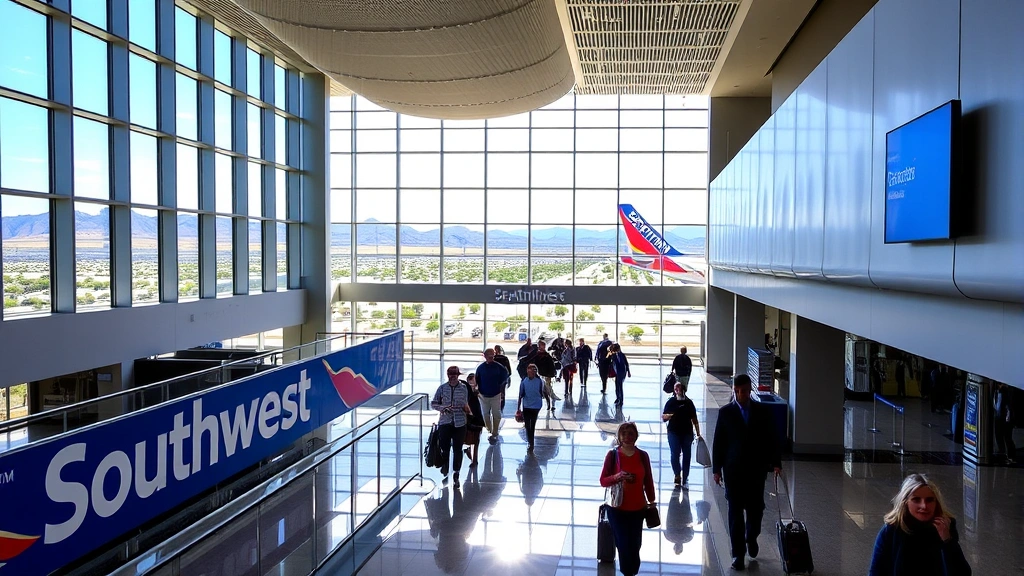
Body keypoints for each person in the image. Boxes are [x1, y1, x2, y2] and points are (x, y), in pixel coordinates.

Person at [712, 373, 781, 571]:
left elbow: (772, 438)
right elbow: (719, 442)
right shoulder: (726, 412)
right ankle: (738, 554)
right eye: (736, 391)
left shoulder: (762, 412)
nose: (739, 395)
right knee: (734, 513)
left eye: (742, 391)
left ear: (750, 391)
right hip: (733, 471)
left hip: (756, 470)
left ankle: (751, 537)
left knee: (756, 510)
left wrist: (776, 462)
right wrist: (717, 469)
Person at [868, 474, 972, 576]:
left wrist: (947, 541)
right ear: (905, 502)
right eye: (916, 500)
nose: (924, 506)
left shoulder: (945, 526)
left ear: (936, 503)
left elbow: (962, 573)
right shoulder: (891, 530)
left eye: (929, 500)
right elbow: (876, 571)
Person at [599, 422, 657, 576]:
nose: (627, 437)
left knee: (635, 544)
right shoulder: (613, 455)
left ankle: (632, 570)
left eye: (630, 433)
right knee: (623, 544)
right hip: (617, 509)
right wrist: (617, 477)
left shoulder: (642, 456)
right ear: (618, 436)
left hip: (638, 508)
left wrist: (652, 502)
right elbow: (603, 480)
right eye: (623, 434)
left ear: (635, 436)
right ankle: (628, 572)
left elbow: (648, 481)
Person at [431, 366, 472, 486]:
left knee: (457, 449)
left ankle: (456, 472)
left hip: (460, 422)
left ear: (458, 376)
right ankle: (445, 465)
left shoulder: (464, 388)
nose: (453, 376)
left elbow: (465, 403)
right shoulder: (442, 388)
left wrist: (467, 410)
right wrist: (443, 408)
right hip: (445, 422)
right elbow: (433, 403)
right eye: (450, 374)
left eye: (455, 374)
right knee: (445, 447)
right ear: (448, 375)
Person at [662, 380, 702, 487]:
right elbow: (664, 417)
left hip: (687, 433)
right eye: (676, 388)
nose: (677, 390)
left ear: (683, 389)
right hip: (673, 432)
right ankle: (677, 474)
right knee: (675, 453)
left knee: (687, 454)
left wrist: (698, 433)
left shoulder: (689, 403)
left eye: (679, 388)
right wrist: (669, 416)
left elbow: (694, 419)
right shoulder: (671, 402)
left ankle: (685, 475)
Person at [476, 348, 510, 444]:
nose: (491, 357)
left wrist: (501, 388)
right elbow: (477, 379)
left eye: (492, 355)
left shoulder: (499, 367)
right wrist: (477, 389)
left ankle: (495, 432)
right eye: (489, 355)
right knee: (485, 415)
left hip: (496, 394)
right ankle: (490, 430)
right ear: (485, 356)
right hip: (483, 395)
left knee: (497, 414)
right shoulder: (480, 368)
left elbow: (505, 376)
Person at [517, 364, 547, 452]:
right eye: (530, 371)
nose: (531, 373)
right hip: (526, 405)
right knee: (527, 425)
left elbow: (542, 392)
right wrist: (518, 408)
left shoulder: (539, 381)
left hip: (536, 406)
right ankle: (530, 441)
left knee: (532, 424)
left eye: (533, 372)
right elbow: (520, 395)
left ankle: (531, 442)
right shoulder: (524, 381)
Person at [462, 373, 484, 466]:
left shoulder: (479, 392)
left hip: (477, 417)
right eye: (470, 381)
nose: (472, 384)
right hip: (468, 417)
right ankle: (470, 454)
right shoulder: (465, 391)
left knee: (476, 439)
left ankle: (474, 459)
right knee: (466, 437)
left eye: (474, 381)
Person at [533, 340, 560, 411]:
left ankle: (552, 401)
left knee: (548, 388)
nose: (539, 346)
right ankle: (549, 402)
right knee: (544, 390)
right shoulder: (536, 355)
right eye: (539, 345)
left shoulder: (547, 355)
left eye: (540, 345)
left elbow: (551, 365)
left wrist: (553, 374)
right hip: (540, 374)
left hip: (547, 374)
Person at [993, 381, 1016, 464]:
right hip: (999, 417)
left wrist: (1008, 417)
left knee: (1006, 437)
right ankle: (1003, 454)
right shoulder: (997, 391)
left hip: (1004, 417)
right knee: (1001, 436)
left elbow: (1008, 406)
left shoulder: (1005, 392)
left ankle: (1010, 456)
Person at [609, 343, 631, 407]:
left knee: (620, 386)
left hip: (622, 372)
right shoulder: (613, 355)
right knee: (617, 386)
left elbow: (626, 363)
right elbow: (610, 362)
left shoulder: (622, 355)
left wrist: (628, 372)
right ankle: (618, 398)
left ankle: (621, 400)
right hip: (617, 372)